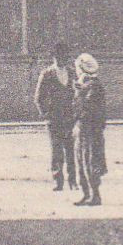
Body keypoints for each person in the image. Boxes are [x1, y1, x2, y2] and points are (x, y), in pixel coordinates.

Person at [34, 43, 79, 191]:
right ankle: (58, 180)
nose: (61, 60)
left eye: (64, 57)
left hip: (69, 118)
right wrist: (46, 114)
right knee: (56, 150)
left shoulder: (72, 73)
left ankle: (73, 181)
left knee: (71, 149)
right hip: (54, 118)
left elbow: (78, 94)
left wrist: (76, 113)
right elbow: (39, 97)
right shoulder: (47, 74)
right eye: (58, 57)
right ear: (53, 57)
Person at [73, 53, 107, 207]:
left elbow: (88, 107)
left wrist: (79, 92)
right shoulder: (85, 84)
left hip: (90, 129)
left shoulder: (94, 86)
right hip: (83, 128)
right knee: (81, 160)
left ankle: (95, 195)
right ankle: (86, 194)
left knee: (90, 161)